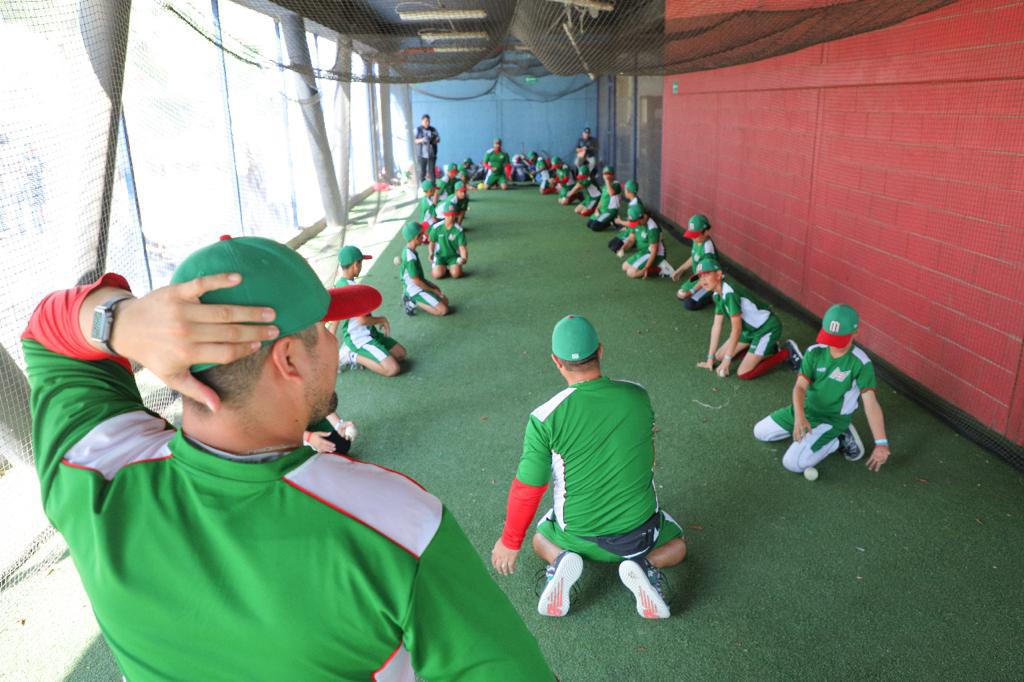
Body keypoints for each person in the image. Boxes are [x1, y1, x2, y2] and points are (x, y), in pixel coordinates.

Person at [21, 235, 551, 680]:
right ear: (290, 359)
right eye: (323, 330)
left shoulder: (94, 476)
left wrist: (121, 320)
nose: (332, 338)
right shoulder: (394, 523)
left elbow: (47, 336)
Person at [491, 315, 686, 619]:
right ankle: (646, 566)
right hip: (639, 535)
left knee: (540, 539)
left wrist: (509, 541)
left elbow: (528, 488)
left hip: (579, 536)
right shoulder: (637, 395)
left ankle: (561, 560)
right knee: (678, 546)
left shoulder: (543, 418)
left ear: (556, 362)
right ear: (601, 351)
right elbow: (651, 457)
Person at [754, 304, 890, 474]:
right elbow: (800, 387)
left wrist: (881, 443)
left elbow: (871, 404)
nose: (833, 345)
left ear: (855, 333)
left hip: (831, 419)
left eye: (839, 340)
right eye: (830, 338)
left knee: (792, 463)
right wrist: (799, 417)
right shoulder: (814, 352)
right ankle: (808, 436)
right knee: (760, 432)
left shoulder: (861, 363)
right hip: (806, 410)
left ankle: (837, 440)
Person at [691, 257, 800, 380]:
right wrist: (710, 359)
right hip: (748, 331)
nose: (702, 280)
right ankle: (766, 348)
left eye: (706, 274)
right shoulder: (717, 294)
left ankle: (785, 353)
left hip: (765, 328)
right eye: (700, 277)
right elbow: (716, 326)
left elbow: (736, 330)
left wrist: (727, 362)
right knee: (719, 356)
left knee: (743, 373)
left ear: (719, 274)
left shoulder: (730, 293)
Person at [331, 245, 407, 377]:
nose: (361, 267)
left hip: (370, 333)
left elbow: (336, 318)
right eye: (361, 263)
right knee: (393, 369)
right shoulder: (354, 289)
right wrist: (382, 319)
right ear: (355, 264)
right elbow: (362, 320)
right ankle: (351, 355)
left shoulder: (339, 284)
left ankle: (356, 352)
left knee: (401, 354)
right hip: (359, 338)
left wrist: (331, 338)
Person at [399, 220, 449, 316]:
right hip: (414, 289)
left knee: (445, 301)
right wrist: (432, 289)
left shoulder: (410, 250)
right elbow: (416, 281)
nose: (424, 236)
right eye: (421, 234)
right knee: (443, 310)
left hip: (420, 282)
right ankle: (412, 300)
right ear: (415, 237)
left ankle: (421, 298)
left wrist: (432, 287)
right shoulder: (410, 257)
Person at [670, 213, 717, 311]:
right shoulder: (698, 240)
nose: (692, 238)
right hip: (698, 276)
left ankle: (714, 294)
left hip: (709, 280)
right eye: (692, 235)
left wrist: (691, 291)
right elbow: (694, 257)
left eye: (695, 235)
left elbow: (706, 276)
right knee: (680, 294)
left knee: (689, 304)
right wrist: (680, 269)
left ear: (706, 232)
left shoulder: (708, 250)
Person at [620, 204, 673, 279]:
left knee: (631, 273)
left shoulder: (652, 228)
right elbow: (631, 240)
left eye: (637, 222)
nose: (636, 224)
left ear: (642, 217)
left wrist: (646, 268)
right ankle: (651, 267)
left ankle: (660, 269)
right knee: (624, 267)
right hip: (643, 252)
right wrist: (623, 248)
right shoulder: (637, 221)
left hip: (654, 254)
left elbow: (654, 251)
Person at [429, 188, 469, 280]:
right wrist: (431, 252)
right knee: (437, 275)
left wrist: (464, 258)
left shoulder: (458, 230)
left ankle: (453, 268)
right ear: (444, 215)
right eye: (448, 215)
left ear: (455, 215)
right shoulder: (436, 228)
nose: (450, 217)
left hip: (453, 256)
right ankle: (443, 268)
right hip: (440, 256)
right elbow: (432, 242)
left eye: (452, 215)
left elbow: (462, 247)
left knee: (456, 275)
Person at [414, 114, 440, 184]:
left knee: (431, 171)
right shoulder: (417, 130)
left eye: (428, 121)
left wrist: (433, 140)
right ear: (422, 121)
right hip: (421, 155)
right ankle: (423, 187)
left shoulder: (433, 129)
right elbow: (413, 140)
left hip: (432, 154)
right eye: (425, 121)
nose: (427, 123)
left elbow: (438, 140)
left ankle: (433, 187)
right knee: (422, 171)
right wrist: (422, 140)